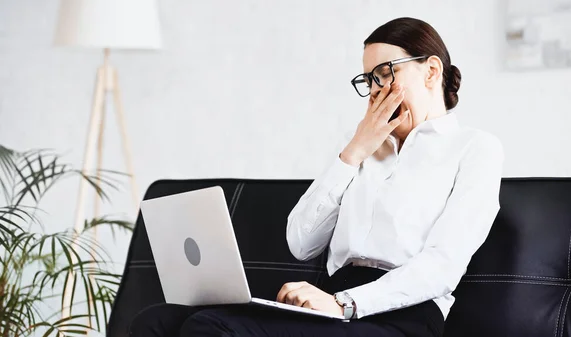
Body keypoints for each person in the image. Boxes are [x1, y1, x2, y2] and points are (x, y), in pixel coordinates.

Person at [129, 17, 503, 337]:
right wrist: (354, 152)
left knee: (210, 328)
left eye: (386, 73)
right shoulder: (361, 147)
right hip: (331, 299)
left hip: (402, 316)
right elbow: (300, 242)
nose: (375, 91)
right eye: (369, 79)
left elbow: (442, 265)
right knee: (155, 321)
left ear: (431, 71)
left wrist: (344, 304)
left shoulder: (475, 149)